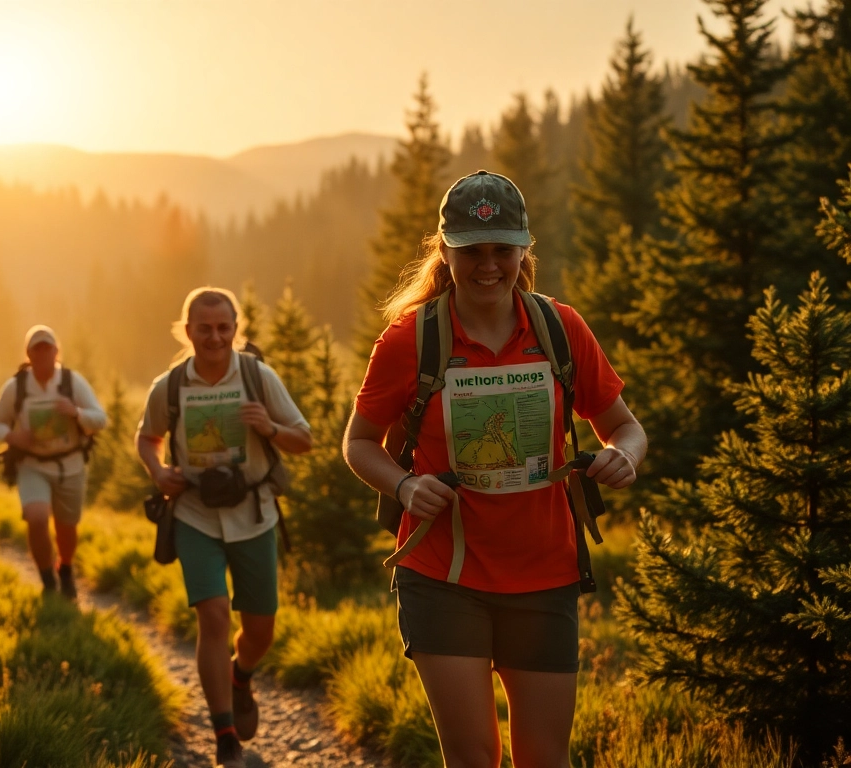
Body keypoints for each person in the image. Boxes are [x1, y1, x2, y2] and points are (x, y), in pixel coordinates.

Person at [343, 170, 647, 768]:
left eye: (502, 250)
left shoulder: (560, 329)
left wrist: (622, 458)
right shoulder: (410, 339)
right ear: (445, 252)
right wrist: (404, 486)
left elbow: (626, 427)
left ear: (523, 250)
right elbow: (358, 443)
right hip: (443, 575)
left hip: (546, 573)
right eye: (472, 252)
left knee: (543, 759)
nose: (488, 266)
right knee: (474, 758)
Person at [136, 287, 312, 768]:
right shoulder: (169, 386)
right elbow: (146, 437)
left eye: (223, 327)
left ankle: (241, 676)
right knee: (212, 617)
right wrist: (158, 472)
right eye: (204, 328)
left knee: (260, 633)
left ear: (236, 328)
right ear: (187, 330)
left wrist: (269, 428)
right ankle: (225, 735)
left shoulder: (258, 377)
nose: (214, 337)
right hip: (194, 514)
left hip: (253, 514)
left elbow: (305, 440)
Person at [0, 325, 107, 598]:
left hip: (70, 464)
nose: (42, 353)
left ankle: (65, 567)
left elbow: (101, 419)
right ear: (28, 354)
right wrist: (14, 438)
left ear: (56, 351)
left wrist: (74, 412)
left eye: (47, 348)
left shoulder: (72, 382)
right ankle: (47, 579)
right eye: (36, 349)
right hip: (32, 464)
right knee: (37, 518)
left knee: (67, 527)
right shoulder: (16, 386)